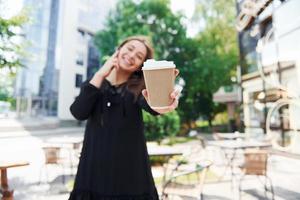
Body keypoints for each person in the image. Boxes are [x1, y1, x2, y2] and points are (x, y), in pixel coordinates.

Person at [69, 35, 180, 200]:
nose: (132, 56)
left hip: (130, 179)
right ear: (118, 49)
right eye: (130, 49)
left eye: (139, 56)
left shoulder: (139, 88)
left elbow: (153, 105)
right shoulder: (95, 83)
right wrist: (101, 73)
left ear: (140, 65)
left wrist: (163, 104)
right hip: (93, 175)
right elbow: (78, 112)